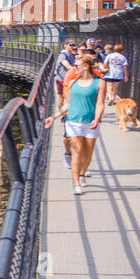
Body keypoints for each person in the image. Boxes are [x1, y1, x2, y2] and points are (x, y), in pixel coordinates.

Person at [45, 53, 106, 196]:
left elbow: (100, 104)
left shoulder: (99, 83)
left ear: (85, 67)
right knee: (77, 152)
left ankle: (83, 173)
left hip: (90, 122)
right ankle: (76, 182)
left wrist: (97, 118)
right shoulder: (73, 82)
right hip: (73, 121)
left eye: (77, 66)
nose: (74, 68)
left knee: (88, 155)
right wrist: (54, 117)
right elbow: (69, 103)